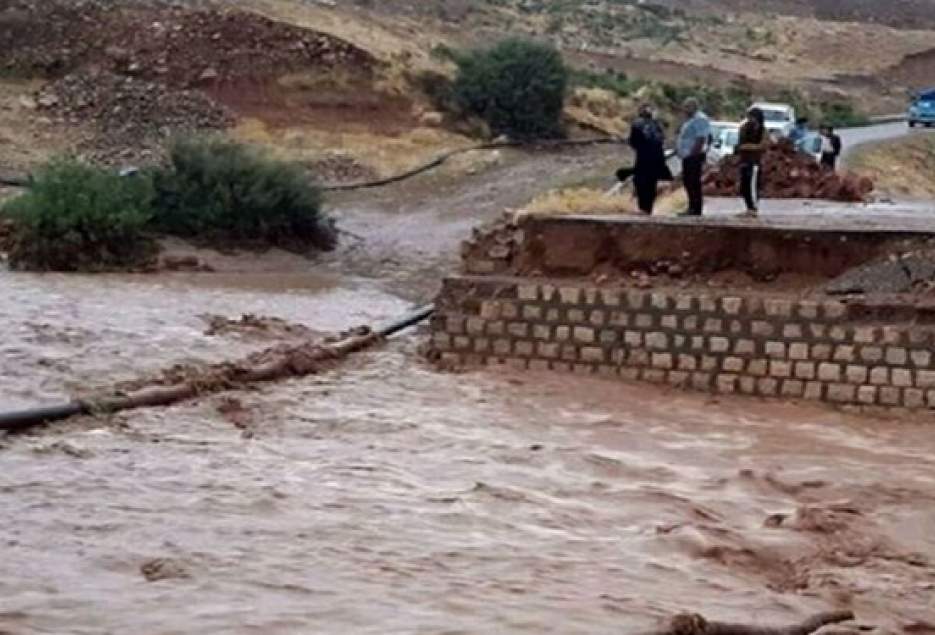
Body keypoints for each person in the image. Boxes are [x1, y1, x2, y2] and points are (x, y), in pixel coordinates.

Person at [628, 103, 672, 214]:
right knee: (651, 183)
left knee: (641, 181)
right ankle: (648, 208)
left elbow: (633, 141)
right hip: (656, 158)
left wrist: (640, 148)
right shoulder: (656, 124)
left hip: (643, 157)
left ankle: (642, 207)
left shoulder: (637, 124)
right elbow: (662, 139)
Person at [676, 97, 711, 216]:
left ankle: (695, 209)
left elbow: (700, 138)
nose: (684, 109)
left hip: (694, 156)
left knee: (693, 182)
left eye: (687, 107)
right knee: (688, 181)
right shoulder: (690, 119)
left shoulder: (700, 119)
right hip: (687, 156)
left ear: (693, 107)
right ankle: (692, 206)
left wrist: (693, 153)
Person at [736, 107, 769, 218]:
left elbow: (763, 145)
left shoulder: (762, 130)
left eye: (752, 117)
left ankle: (753, 208)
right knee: (744, 185)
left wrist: (749, 147)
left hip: (755, 161)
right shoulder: (744, 128)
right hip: (744, 160)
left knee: (753, 185)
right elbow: (740, 144)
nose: (750, 119)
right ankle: (748, 207)